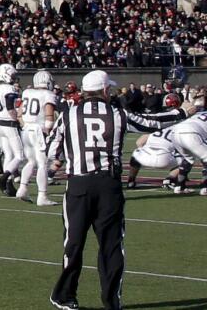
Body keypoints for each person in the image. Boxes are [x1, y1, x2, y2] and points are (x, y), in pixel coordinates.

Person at [47, 70, 166, 310]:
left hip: (79, 184)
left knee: (73, 243)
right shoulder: (118, 114)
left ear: (83, 91)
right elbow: (151, 123)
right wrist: (183, 112)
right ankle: (112, 302)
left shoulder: (69, 115)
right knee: (112, 246)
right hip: (109, 186)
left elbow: (51, 149)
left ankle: (65, 296)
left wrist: (58, 160)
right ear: (104, 91)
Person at [16, 69, 59, 206]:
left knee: (30, 161)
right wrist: (48, 131)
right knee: (42, 164)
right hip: (38, 130)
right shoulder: (48, 94)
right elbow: (49, 117)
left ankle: (22, 189)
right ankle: (42, 196)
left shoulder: (27, 92)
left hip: (26, 129)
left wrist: (25, 125)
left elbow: (19, 114)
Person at [0, 64, 24, 196]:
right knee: (19, 156)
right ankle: (3, 180)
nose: (14, 78)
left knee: (8, 155)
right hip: (9, 123)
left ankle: (8, 185)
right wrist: (18, 121)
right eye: (13, 75)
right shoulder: (9, 89)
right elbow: (10, 108)